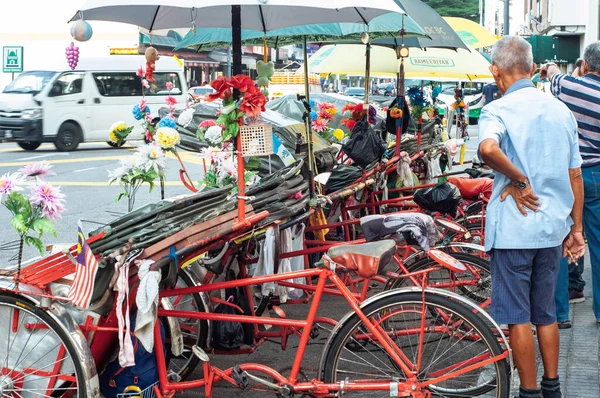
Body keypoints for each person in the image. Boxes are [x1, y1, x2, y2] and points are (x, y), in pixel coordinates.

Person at [478, 36, 585, 398]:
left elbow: (488, 148)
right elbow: (575, 175)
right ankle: (552, 387)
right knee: (546, 313)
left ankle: (528, 392)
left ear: (496, 70)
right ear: (533, 66)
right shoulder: (560, 110)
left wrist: (519, 179)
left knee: (518, 316)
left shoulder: (498, 109)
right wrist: (577, 229)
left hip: (513, 229)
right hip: (551, 229)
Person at [542, 42, 600, 320]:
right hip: (598, 175)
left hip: (574, 175)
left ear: (585, 65)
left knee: (564, 238)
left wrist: (551, 68)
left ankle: (560, 314)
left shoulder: (571, 87)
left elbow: (553, 74)